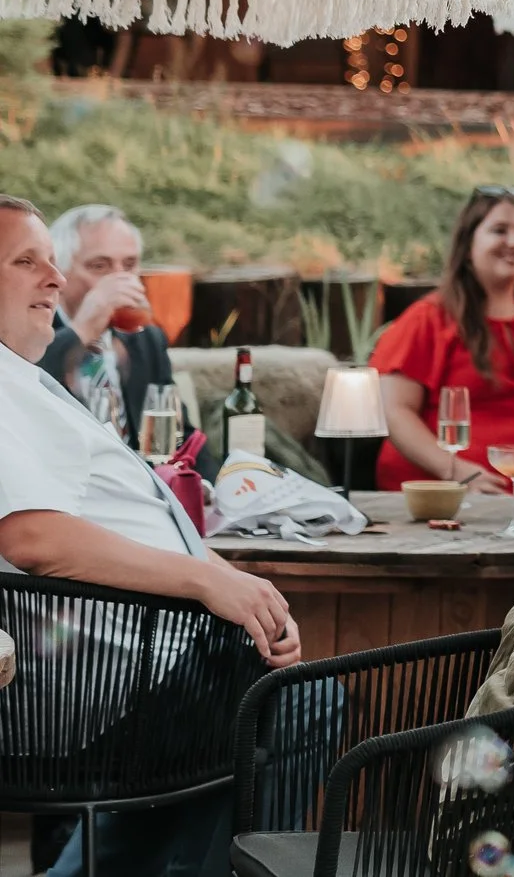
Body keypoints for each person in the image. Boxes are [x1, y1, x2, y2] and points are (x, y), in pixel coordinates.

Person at [0, 196, 302, 877]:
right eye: (27, 261)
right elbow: (34, 537)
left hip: (150, 657)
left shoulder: (23, 381)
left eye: (54, 260)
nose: (54, 277)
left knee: (274, 705)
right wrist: (206, 579)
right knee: (303, 706)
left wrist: (237, 580)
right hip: (119, 675)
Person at [370, 188, 514, 499]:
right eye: (499, 230)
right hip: (470, 494)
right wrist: (457, 472)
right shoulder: (430, 319)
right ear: (467, 244)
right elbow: (394, 411)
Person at [39, 203, 179, 450]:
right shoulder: (32, 331)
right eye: (100, 266)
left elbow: (180, 431)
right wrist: (82, 330)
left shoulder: (147, 339)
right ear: (59, 271)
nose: (119, 279)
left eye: (129, 265)